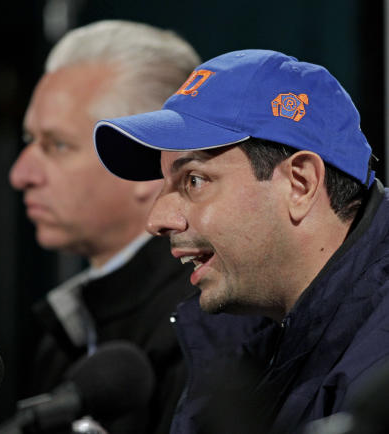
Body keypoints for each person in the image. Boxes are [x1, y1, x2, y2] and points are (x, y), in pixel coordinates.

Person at [93, 49, 389, 433]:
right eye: (164, 184)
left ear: (301, 184)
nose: (157, 220)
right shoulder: (243, 336)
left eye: (194, 181)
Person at [9, 20, 200, 434]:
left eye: (57, 145)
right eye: (29, 142)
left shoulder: (203, 331)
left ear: (148, 165)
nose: (20, 174)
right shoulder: (60, 331)